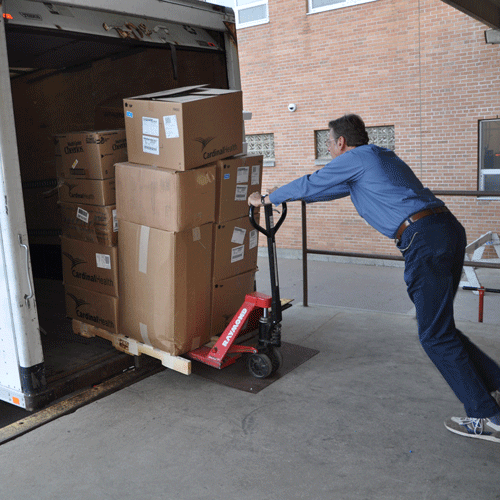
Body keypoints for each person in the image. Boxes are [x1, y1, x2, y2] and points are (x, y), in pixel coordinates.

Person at [248, 113, 500, 442]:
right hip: (446, 230)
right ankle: (493, 383)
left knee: (434, 337)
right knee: (442, 330)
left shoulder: (355, 157)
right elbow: (324, 191)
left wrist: (267, 198)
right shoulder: (378, 157)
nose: (328, 147)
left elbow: (315, 181)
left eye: (328, 142)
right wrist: (286, 196)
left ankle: (486, 415)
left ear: (341, 142)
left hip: (422, 239)